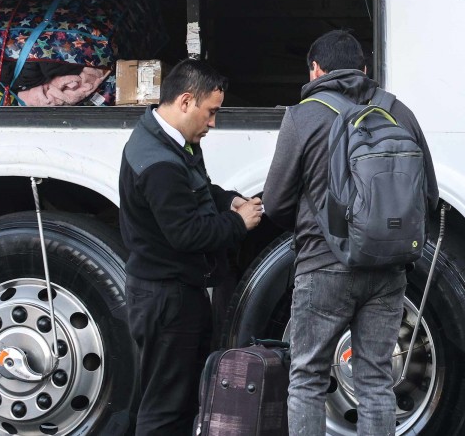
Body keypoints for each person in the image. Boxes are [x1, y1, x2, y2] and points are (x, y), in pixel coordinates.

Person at [263, 30, 438, 436]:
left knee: (307, 378)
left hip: (323, 266)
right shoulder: (399, 112)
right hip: (388, 268)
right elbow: (427, 193)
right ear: (363, 69)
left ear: (315, 69)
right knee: (376, 381)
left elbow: (275, 203)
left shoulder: (303, 115)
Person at [118, 59, 263, 436]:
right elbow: (186, 234)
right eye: (211, 112)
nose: (213, 123)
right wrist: (238, 222)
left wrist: (227, 200)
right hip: (168, 301)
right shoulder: (160, 164)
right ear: (185, 102)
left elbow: (196, 192)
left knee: (176, 402)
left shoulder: (166, 140)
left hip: (168, 294)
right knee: (167, 410)